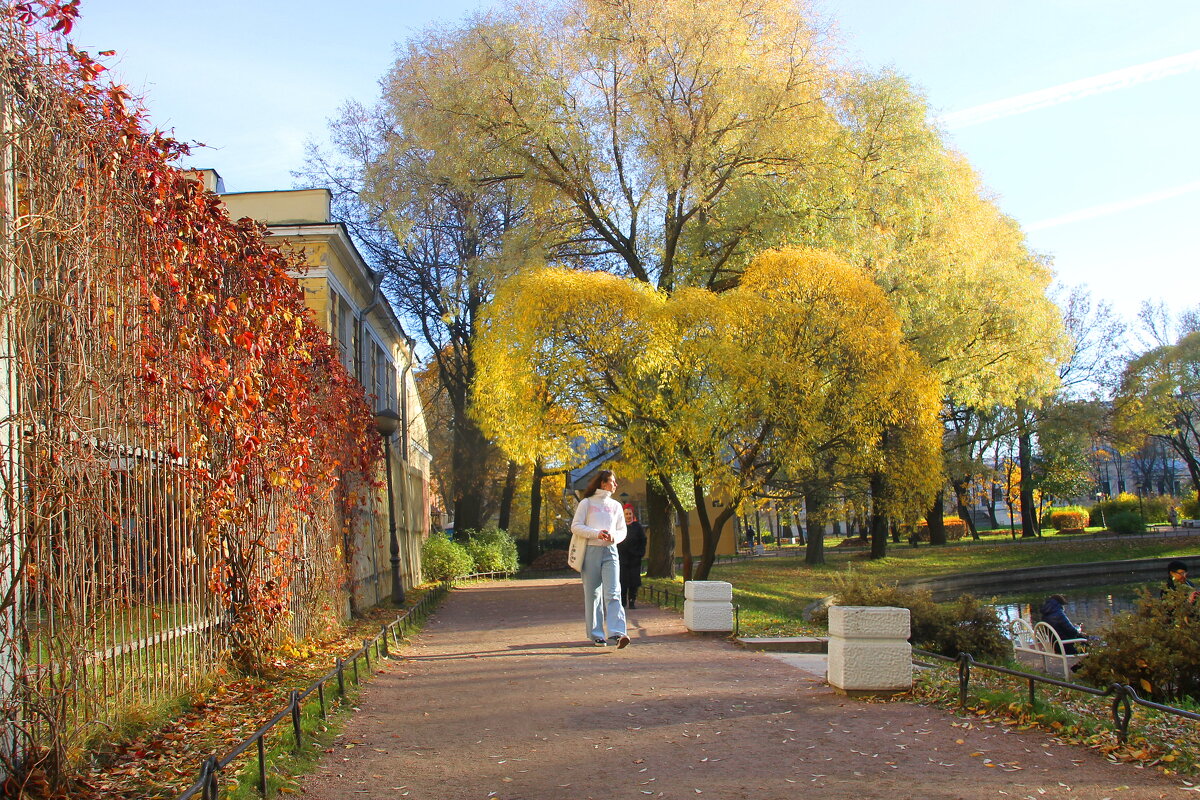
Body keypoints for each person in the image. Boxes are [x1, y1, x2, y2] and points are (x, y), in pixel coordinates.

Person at [570, 470, 630, 648]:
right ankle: (596, 634)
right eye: (613, 481)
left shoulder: (616, 506)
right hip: (591, 551)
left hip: (611, 552)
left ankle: (618, 633)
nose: (615, 485)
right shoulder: (586, 503)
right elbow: (576, 526)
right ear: (603, 484)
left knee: (613, 592)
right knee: (593, 594)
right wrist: (596, 533)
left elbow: (622, 530)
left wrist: (614, 537)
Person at [617, 503, 646, 609]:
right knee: (623, 581)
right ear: (623, 515)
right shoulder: (619, 526)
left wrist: (640, 553)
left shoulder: (637, 527)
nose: (628, 516)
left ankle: (632, 600)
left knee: (634, 581)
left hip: (634, 558)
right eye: (626, 514)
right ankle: (623, 601)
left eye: (630, 514)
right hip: (622, 558)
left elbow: (643, 540)